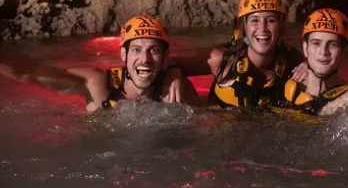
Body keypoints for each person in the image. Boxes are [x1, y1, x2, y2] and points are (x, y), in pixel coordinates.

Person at [0, 15, 200, 112]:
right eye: (137, 50)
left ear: (165, 58)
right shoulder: (96, 83)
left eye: (154, 51)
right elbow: (29, 72)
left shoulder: (177, 91)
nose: (145, 59)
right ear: (124, 54)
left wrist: (175, 71)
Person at [207, 0, 305, 107]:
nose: (262, 28)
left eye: (271, 20)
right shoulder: (222, 59)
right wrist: (177, 71)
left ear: (281, 26)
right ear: (243, 26)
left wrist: (309, 66)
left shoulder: (294, 62)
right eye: (255, 20)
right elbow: (179, 64)